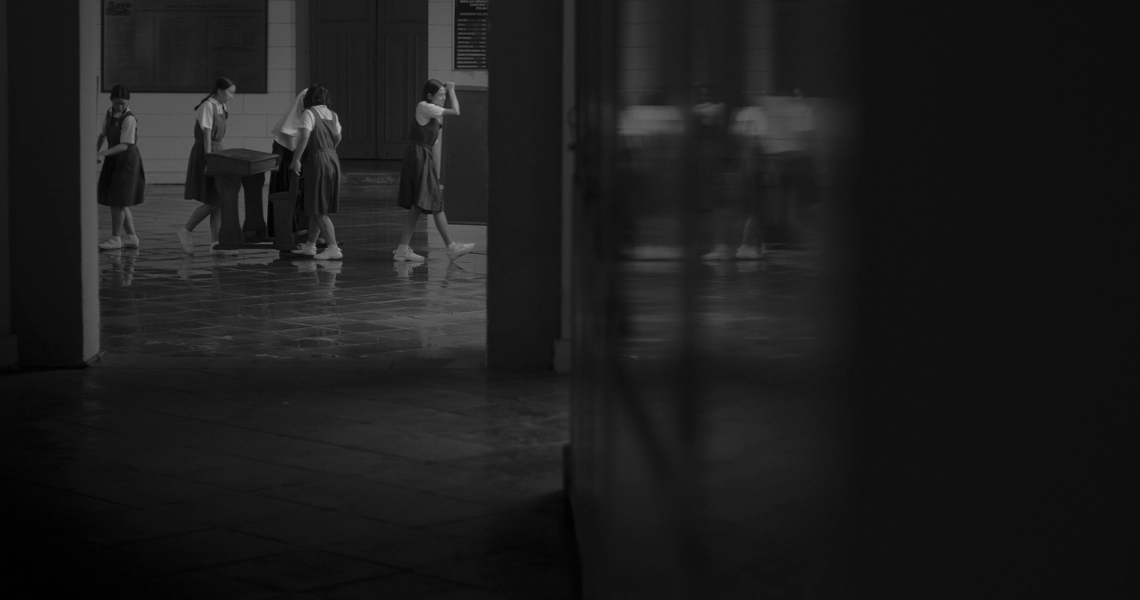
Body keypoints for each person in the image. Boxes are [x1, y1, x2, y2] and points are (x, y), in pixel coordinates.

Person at [393, 79, 475, 262]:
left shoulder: (435, 116)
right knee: (432, 203)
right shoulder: (425, 106)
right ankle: (451, 247)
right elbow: (456, 111)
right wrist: (452, 90)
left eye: (445, 95)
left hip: (424, 157)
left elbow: (435, 148)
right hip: (418, 157)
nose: (444, 98)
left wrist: (437, 177)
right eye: (441, 95)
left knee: (419, 205)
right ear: (430, 96)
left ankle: (402, 249)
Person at [178, 77, 237, 255]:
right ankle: (186, 230)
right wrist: (210, 160)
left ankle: (216, 244)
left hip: (217, 153)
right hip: (206, 154)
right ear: (219, 90)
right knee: (214, 200)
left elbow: (220, 138)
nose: (232, 97)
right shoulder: (207, 107)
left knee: (217, 201)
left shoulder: (221, 107)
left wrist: (225, 156)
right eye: (230, 92)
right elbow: (207, 137)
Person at [290, 84, 343, 260]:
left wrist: (296, 159)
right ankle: (310, 245)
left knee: (319, 208)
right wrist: (328, 149)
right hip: (332, 159)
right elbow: (338, 137)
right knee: (317, 204)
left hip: (317, 160)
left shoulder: (309, 113)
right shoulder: (332, 115)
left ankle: (333, 247)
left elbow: (305, 136)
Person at [96, 84, 145, 250]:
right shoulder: (109, 114)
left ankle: (115, 238)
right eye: (117, 103)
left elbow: (124, 145)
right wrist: (94, 152)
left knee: (118, 200)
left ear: (128, 101)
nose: (120, 106)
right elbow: (102, 135)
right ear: (111, 101)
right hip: (113, 159)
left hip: (127, 162)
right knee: (119, 200)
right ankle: (131, 237)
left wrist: (103, 154)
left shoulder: (129, 119)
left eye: (123, 103)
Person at [266, 91, 309, 241]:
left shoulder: (311, 119)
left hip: (305, 170)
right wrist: (276, 163)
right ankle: (286, 233)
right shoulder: (287, 124)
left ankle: (307, 235)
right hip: (286, 171)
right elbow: (278, 148)